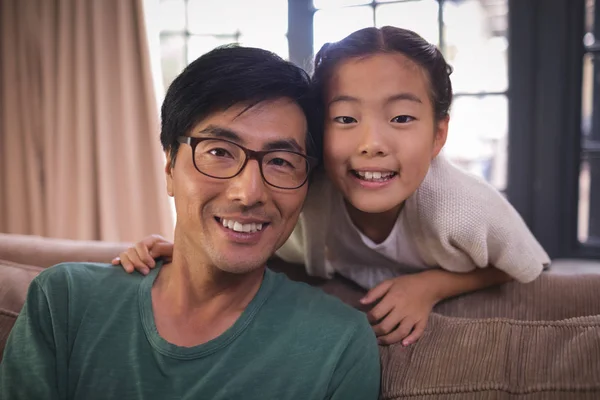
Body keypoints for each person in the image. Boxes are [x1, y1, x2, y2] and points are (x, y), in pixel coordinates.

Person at [114, 27, 550, 347]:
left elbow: (527, 265)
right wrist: (193, 251)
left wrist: (432, 286)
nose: (372, 144)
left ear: (439, 135)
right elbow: (255, 234)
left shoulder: (463, 207)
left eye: (401, 118)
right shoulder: (300, 190)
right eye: (345, 119)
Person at [0, 46, 381, 400]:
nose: (248, 193)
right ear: (169, 166)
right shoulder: (65, 300)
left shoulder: (339, 343)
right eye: (218, 152)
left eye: (281, 161)